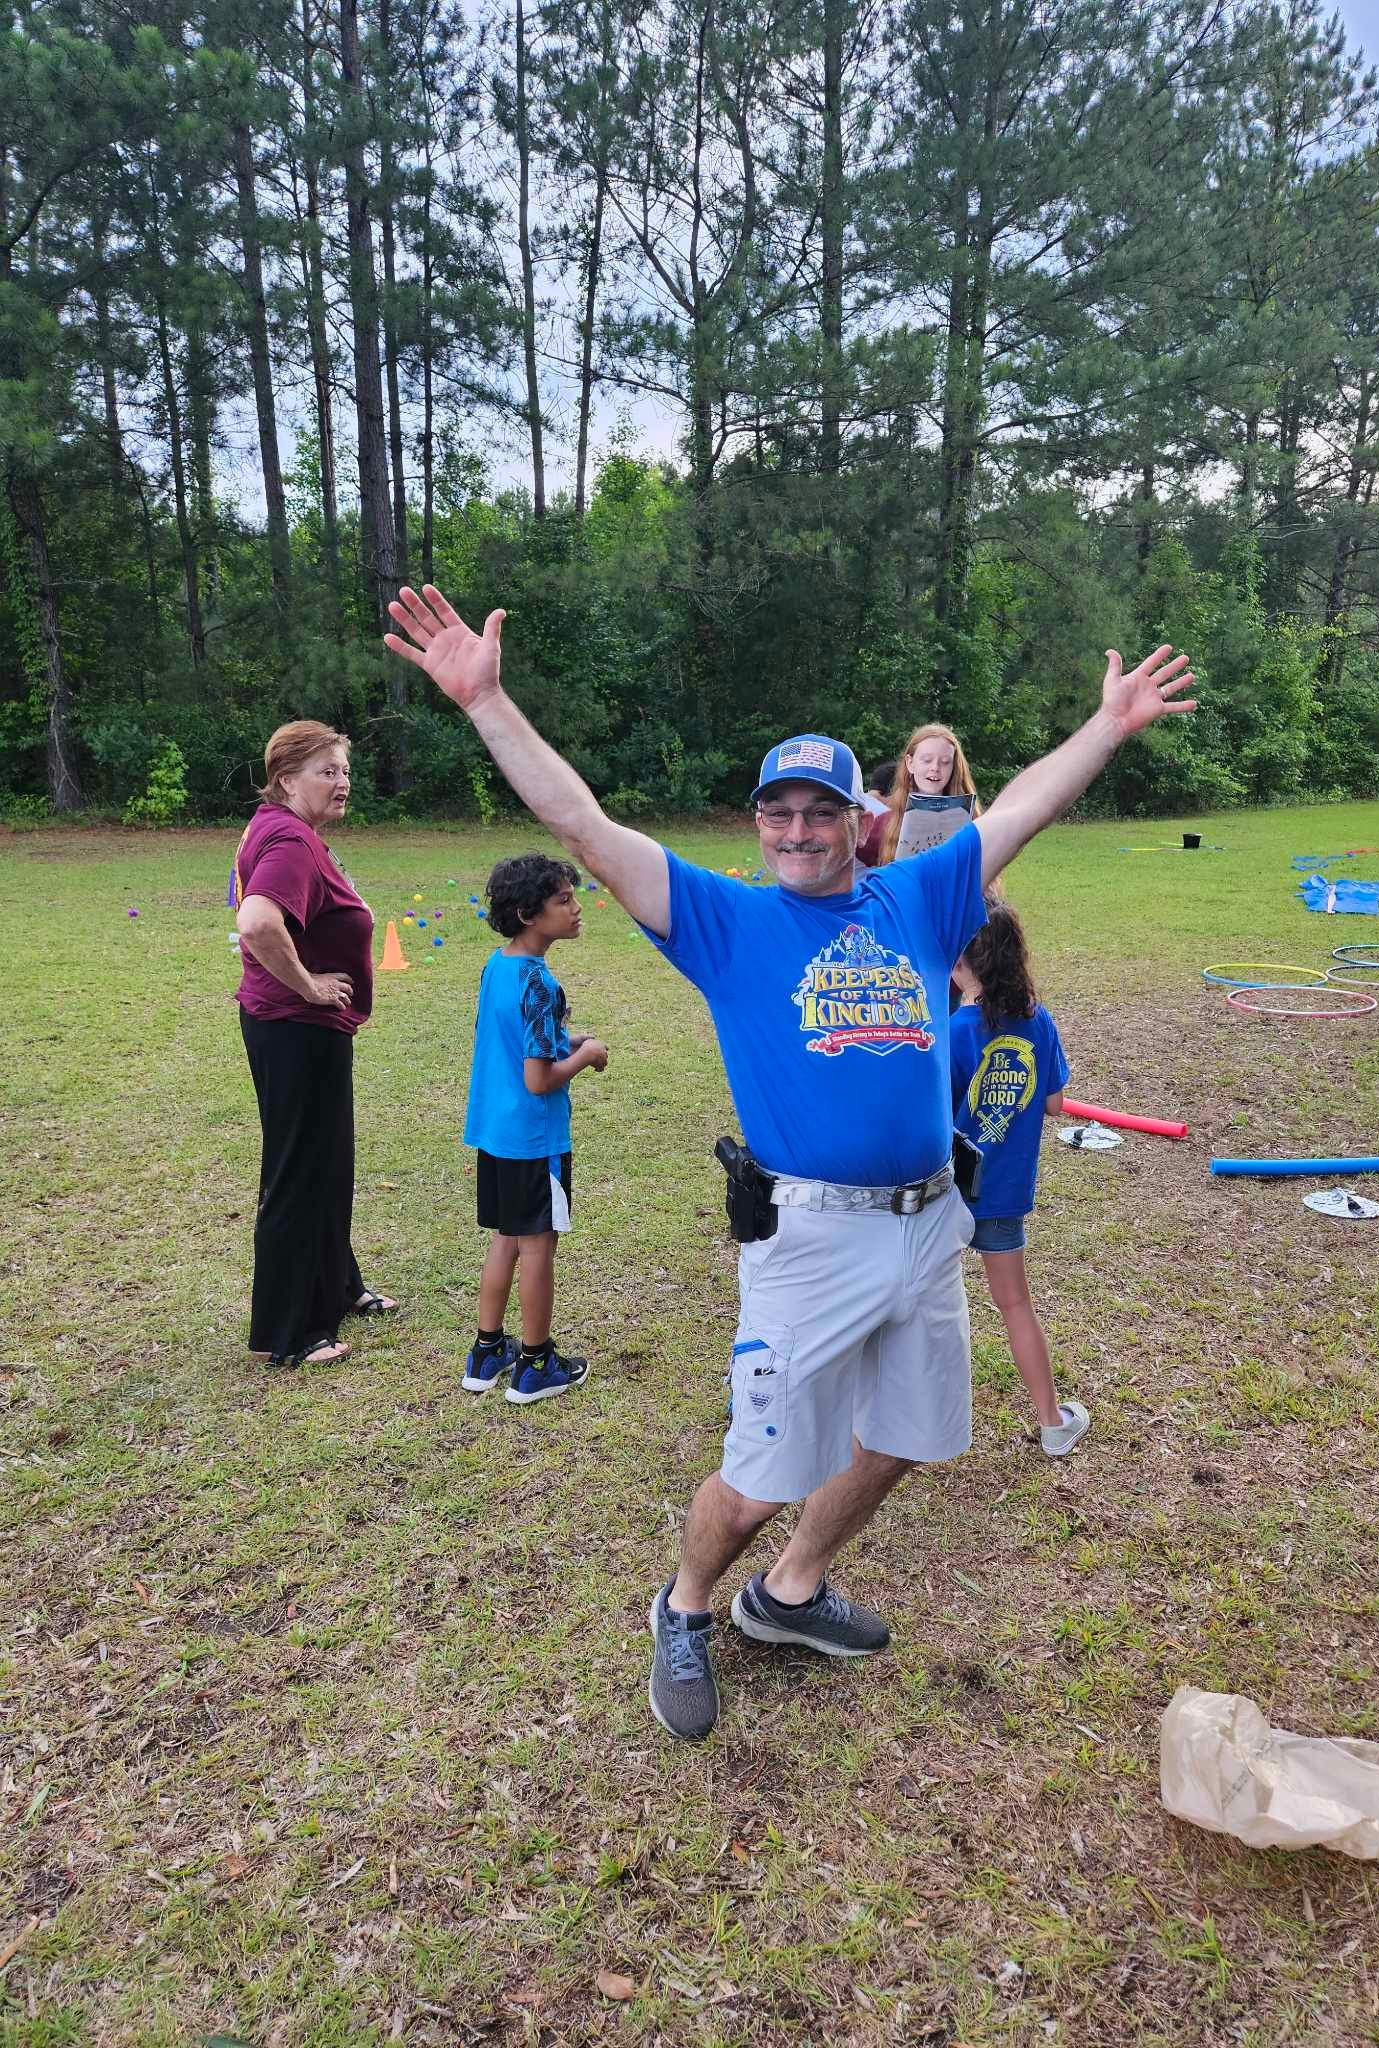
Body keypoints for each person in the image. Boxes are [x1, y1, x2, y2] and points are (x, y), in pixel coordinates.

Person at [383, 584, 1193, 1741]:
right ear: (757, 822)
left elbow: (1019, 808)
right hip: (809, 1237)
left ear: (861, 817)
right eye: (779, 813)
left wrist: (1106, 728)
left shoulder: (918, 892)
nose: (799, 831)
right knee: (763, 1473)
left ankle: (791, 1591)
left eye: (821, 810)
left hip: (929, 1227)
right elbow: (585, 826)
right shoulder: (724, 919)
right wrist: (487, 703)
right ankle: (688, 1601)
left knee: (909, 1438)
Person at [234, 721, 398, 1370]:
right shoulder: (290, 840)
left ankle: (339, 1285)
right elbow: (255, 921)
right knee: (300, 1170)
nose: (342, 782)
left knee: (328, 1165)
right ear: (286, 780)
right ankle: (293, 1331)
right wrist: (306, 984)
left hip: (304, 1030)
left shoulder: (283, 830)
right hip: (295, 1029)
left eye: (345, 770)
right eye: (326, 771)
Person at [461, 852, 609, 1402]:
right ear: (529, 913)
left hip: (496, 1132)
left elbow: (518, 1041)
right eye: (563, 901)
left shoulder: (498, 967)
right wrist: (586, 1054)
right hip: (533, 1139)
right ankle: (535, 1363)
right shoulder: (542, 985)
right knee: (539, 1246)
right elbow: (540, 1080)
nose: (576, 909)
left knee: (506, 1237)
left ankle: (486, 1351)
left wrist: (564, 1041)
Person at [950, 901, 1087, 1455]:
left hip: (945, 1195)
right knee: (1015, 1306)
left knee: (911, 1304)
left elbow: (932, 1111)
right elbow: (1054, 1103)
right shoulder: (1039, 1019)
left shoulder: (956, 1029)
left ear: (964, 962)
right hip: (1001, 1196)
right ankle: (1053, 1423)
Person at [879, 723, 979, 863]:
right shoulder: (885, 822)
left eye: (945, 762)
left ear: (953, 767)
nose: (935, 768)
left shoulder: (972, 819)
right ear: (910, 763)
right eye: (927, 760)